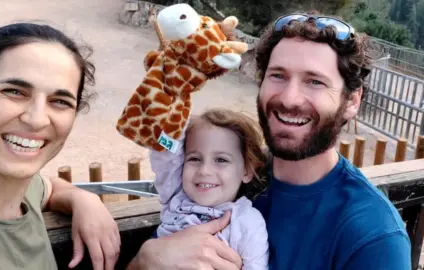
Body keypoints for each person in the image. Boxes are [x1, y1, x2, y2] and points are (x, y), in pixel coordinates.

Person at [127, 12, 411, 269]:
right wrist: (147, 259)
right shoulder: (224, 173)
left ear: (352, 100)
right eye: (278, 76)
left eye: (315, 81)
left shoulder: (373, 236)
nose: (289, 98)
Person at [0, 23, 120, 270]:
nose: (37, 119)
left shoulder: (23, 190)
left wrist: (82, 199)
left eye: (59, 101)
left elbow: (48, 188)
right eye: (14, 91)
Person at [150, 108, 269, 269]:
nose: (204, 170)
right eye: (194, 158)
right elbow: (165, 152)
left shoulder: (248, 223)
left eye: (221, 160)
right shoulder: (175, 194)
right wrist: (176, 116)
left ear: (246, 170)